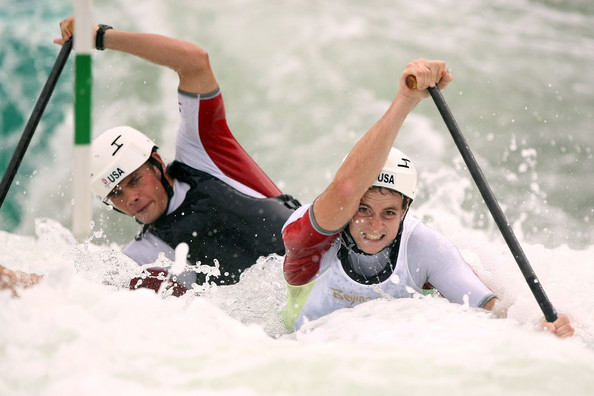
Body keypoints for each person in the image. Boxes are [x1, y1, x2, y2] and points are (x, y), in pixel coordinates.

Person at [281, 59, 575, 338]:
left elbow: (493, 309)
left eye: (389, 213)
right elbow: (345, 189)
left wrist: (539, 325)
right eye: (363, 208)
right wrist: (406, 99)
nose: (373, 224)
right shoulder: (311, 240)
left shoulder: (424, 248)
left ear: (407, 209)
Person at [54, 17, 300, 296]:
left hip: (334, 272)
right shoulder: (143, 256)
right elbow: (78, 296)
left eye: (135, 180)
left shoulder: (203, 154)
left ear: (157, 164)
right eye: (116, 194)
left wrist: (100, 38)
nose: (130, 199)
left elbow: (195, 61)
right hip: (316, 328)